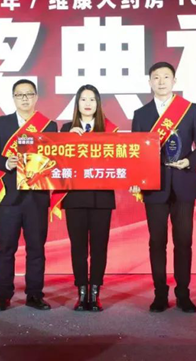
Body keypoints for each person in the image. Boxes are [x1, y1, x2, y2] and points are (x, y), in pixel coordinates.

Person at [130, 62, 196, 313]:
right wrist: (136, 180)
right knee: (157, 242)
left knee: (183, 241)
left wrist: (190, 161)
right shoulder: (141, 114)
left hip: (184, 183)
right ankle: (160, 294)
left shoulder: (189, 110)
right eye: (156, 77)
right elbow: (135, 152)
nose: (161, 81)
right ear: (150, 82)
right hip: (154, 187)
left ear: (174, 81)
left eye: (166, 77)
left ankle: (183, 294)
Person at [0, 79, 58, 311]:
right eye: (20, 95)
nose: (25, 98)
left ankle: (34, 295)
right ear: (14, 98)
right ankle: (3, 295)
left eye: (29, 94)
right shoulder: (0, 123)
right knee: (6, 248)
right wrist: (6, 162)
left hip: (37, 196)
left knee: (36, 248)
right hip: (9, 197)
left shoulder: (49, 126)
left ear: (36, 97)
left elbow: (55, 157)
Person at [57, 85, 117, 312]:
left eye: (92, 99)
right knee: (78, 247)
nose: (88, 103)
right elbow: (56, 161)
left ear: (98, 103)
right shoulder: (65, 129)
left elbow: (120, 162)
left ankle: (95, 293)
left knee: (100, 247)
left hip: (102, 198)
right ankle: (82, 293)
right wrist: (67, 140)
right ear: (77, 104)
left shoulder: (109, 130)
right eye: (83, 99)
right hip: (75, 198)